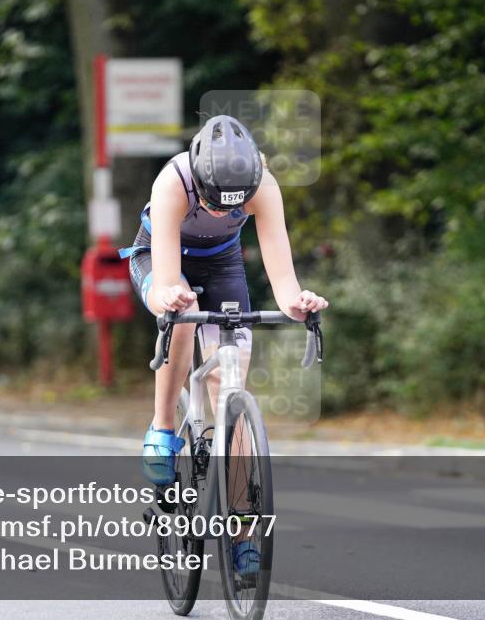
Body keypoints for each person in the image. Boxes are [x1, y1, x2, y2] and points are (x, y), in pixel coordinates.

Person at [119, 114, 328, 574]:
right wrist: (170, 295)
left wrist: (300, 302)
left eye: (229, 207)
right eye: (213, 204)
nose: (218, 212)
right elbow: (171, 282)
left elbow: (283, 279)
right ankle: (161, 429)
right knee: (182, 316)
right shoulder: (172, 182)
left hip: (223, 263)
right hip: (160, 258)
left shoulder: (263, 187)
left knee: (230, 379)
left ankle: (241, 532)